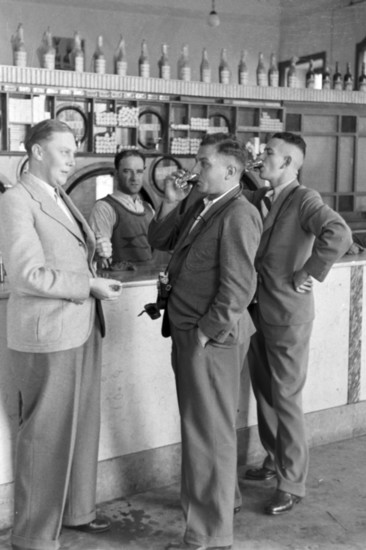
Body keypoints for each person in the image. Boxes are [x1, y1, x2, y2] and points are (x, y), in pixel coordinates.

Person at [0, 119, 123, 550]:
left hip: (81, 325)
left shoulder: (59, 195)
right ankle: (33, 534)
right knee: (45, 435)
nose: (73, 159)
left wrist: (95, 254)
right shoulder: (17, 200)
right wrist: (86, 284)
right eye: (65, 150)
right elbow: (26, 273)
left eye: (74, 151)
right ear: (35, 152)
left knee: (82, 425)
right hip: (48, 332)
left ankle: (77, 512)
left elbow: (64, 253)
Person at [148, 133, 262, 550]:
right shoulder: (201, 203)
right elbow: (159, 238)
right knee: (208, 429)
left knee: (206, 435)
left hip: (210, 339)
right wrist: (171, 198)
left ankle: (207, 536)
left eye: (203, 163)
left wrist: (203, 334)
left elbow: (238, 288)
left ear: (231, 170)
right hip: (192, 331)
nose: (195, 171)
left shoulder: (239, 213)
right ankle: (220, 506)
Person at [243, 132, 353, 515]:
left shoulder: (305, 199)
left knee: (286, 397)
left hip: (288, 315)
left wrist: (311, 270)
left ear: (288, 162)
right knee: (265, 393)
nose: (262, 158)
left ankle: (292, 483)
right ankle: (274, 460)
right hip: (256, 310)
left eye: (269, 154)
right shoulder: (259, 196)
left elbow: (339, 232)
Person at [89, 149, 155, 269]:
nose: (134, 178)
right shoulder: (104, 207)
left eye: (139, 172)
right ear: (116, 174)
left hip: (147, 282)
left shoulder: (148, 208)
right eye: (127, 172)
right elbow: (99, 258)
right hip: (120, 284)